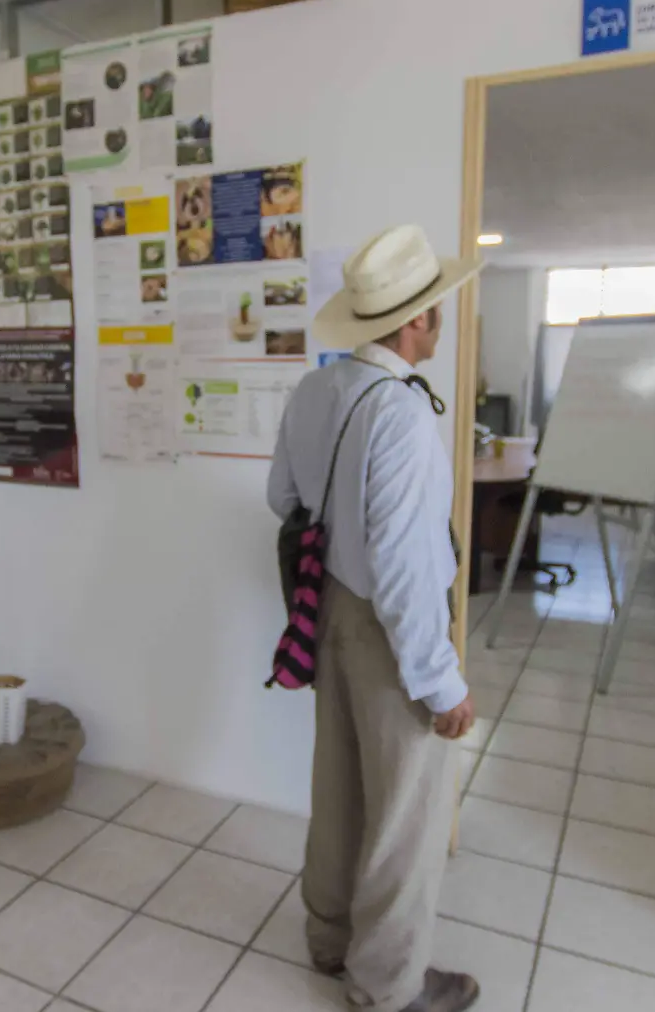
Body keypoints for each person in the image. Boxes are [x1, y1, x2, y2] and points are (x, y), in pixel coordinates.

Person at [266, 224, 483, 1012]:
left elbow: (281, 501)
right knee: (406, 814)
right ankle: (388, 984)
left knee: (341, 787)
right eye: (436, 311)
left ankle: (328, 940)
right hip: (391, 631)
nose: (438, 322)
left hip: (328, 615)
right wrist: (440, 681)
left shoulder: (316, 389)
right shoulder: (401, 415)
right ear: (415, 321)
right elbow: (404, 567)